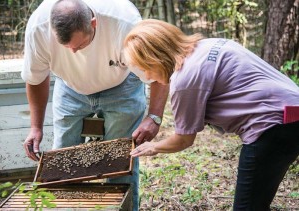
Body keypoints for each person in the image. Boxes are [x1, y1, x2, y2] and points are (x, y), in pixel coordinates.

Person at [123, 19, 299, 210]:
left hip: (273, 126)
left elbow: (183, 140)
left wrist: (154, 147)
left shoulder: (185, 81)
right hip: (292, 109)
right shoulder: (209, 45)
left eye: (146, 67)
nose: (147, 76)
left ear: (156, 57)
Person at [21, 1, 169, 210]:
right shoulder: (38, 27)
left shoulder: (125, 23)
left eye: (79, 45)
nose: (73, 53)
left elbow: (159, 72)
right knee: (62, 156)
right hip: (70, 85)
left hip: (122, 84)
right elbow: (35, 78)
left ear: (93, 23)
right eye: (66, 47)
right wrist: (35, 127)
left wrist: (154, 116)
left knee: (121, 159)